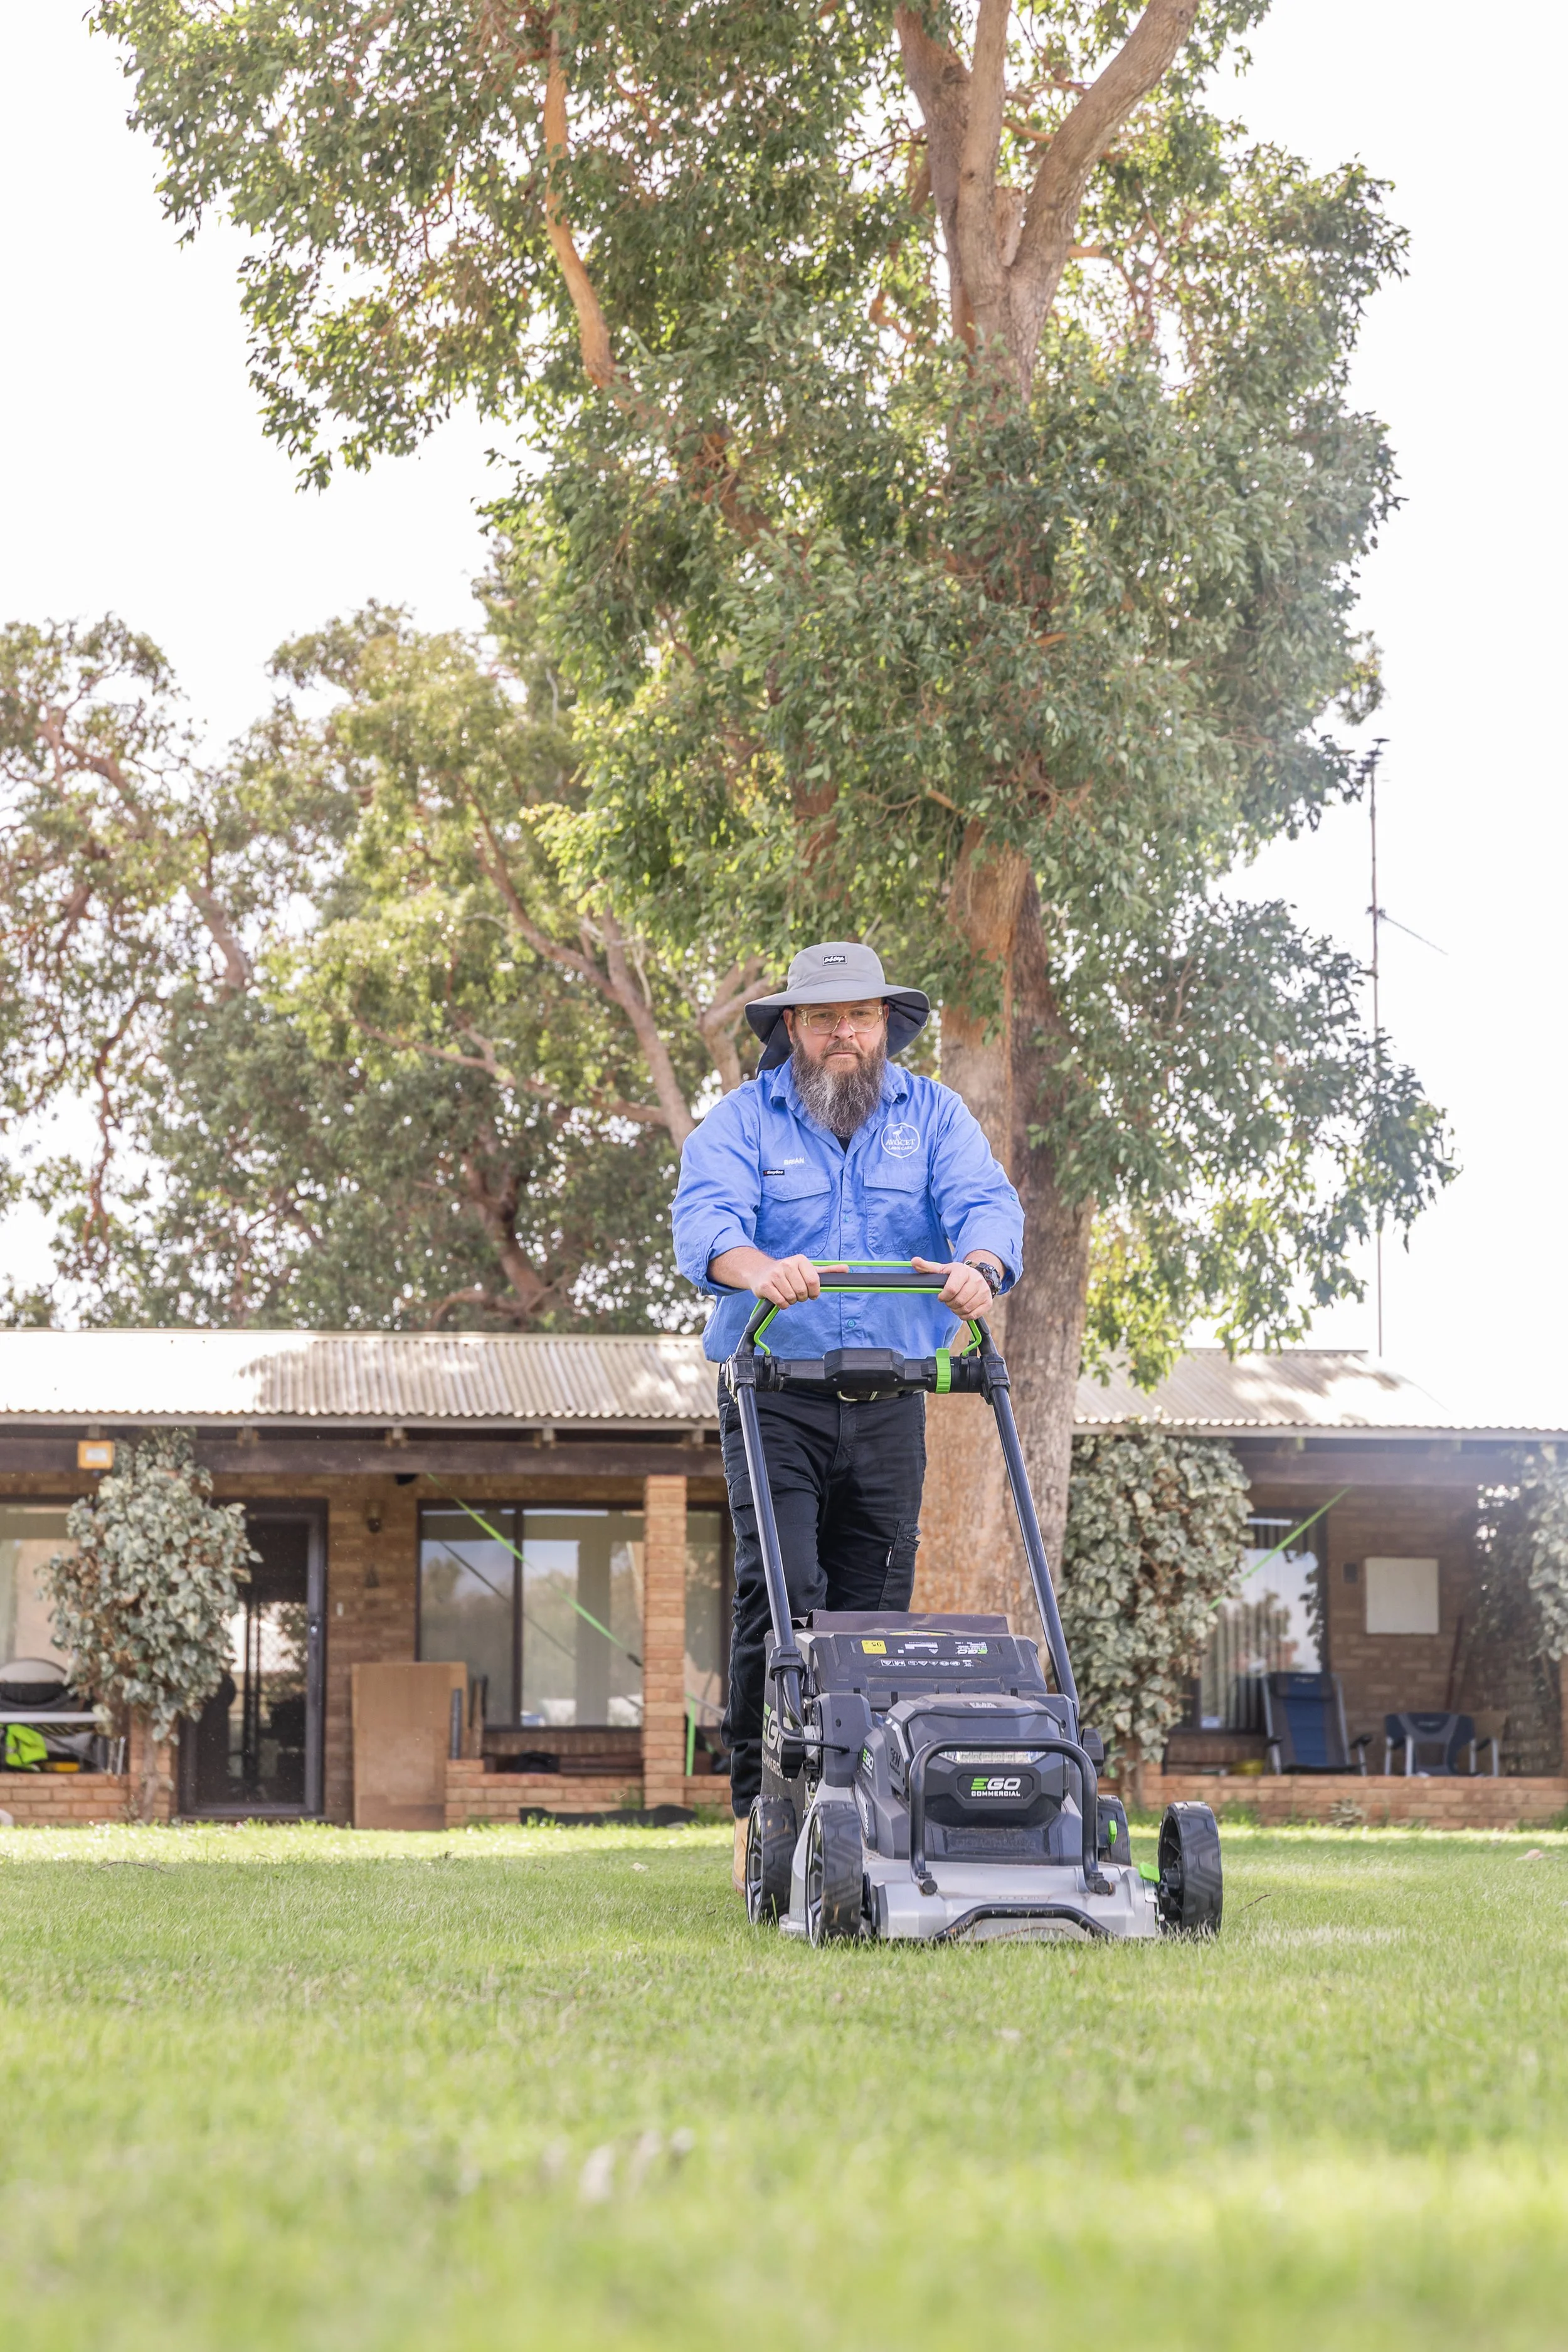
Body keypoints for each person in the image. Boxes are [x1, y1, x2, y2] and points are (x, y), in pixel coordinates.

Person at [670, 940, 1024, 1887]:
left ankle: (861, 1808)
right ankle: (758, 1815)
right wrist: (758, 1270)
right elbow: (706, 1224)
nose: (844, 1034)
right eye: (824, 1018)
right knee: (780, 1594)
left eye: (859, 1017)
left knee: (872, 1616)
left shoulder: (934, 1116)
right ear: (793, 1026)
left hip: (893, 1398)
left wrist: (977, 1270)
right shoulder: (743, 1121)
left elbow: (986, 1204)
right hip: (774, 1393)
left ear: (883, 1026)